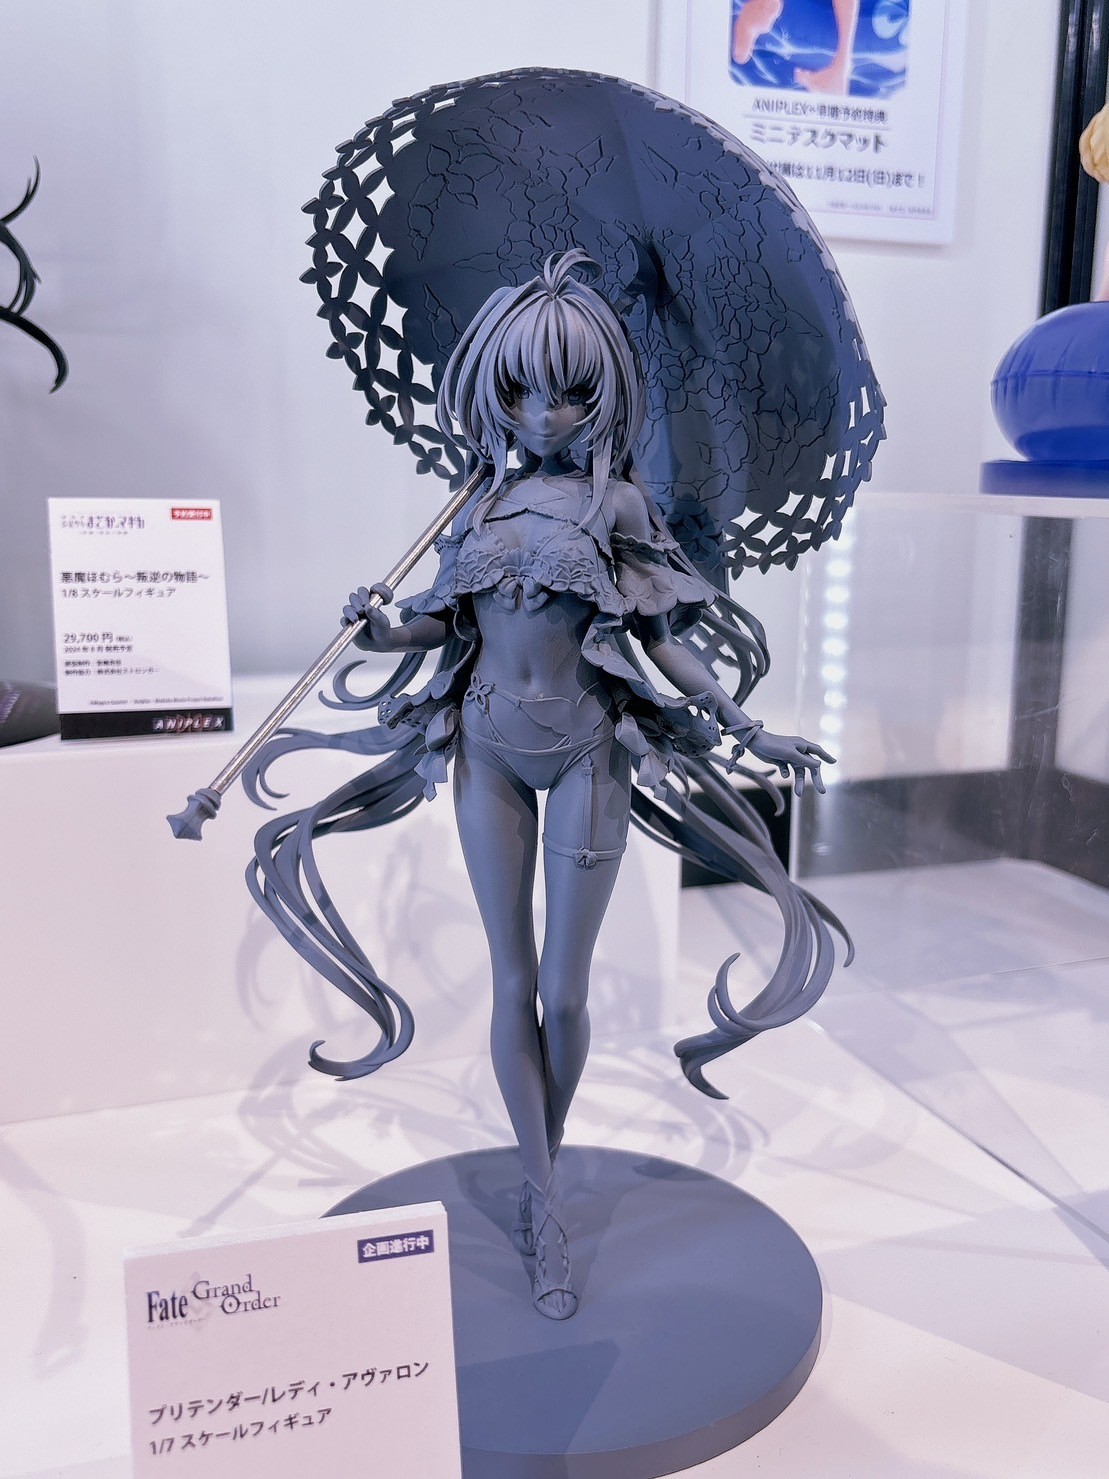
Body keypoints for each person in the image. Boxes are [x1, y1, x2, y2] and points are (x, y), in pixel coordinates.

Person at [246, 250, 845, 1320]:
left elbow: (665, 639)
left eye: (570, 392)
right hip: (484, 748)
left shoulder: (618, 506)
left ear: (602, 394)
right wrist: (380, 630)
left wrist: (745, 723)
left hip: (584, 752)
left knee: (564, 994)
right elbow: (442, 627)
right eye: (521, 390)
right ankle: (544, 1197)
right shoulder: (471, 506)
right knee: (510, 981)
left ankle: (541, 1178)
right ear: (491, 388)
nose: (543, 413)